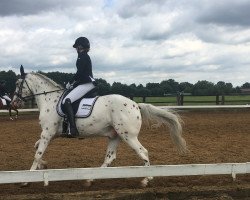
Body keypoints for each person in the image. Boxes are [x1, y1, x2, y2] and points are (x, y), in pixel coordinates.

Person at [62, 37, 96, 138]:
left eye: (76, 47)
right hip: (85, 82)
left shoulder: (82, 56)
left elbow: (80, 73)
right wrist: (74, 83)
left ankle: (72, 129)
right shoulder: (84, 56)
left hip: (86, 84)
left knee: (67, 100)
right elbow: (81, 74)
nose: (76, 49)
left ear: (80, 46)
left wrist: (70, 82)